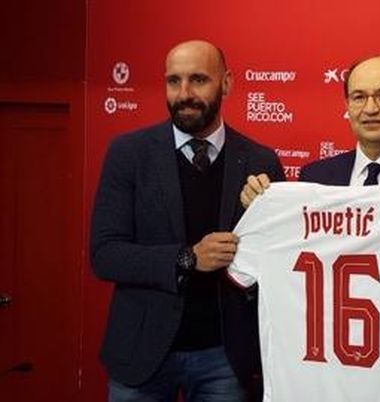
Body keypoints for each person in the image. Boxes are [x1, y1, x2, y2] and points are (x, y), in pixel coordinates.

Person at [240, 55, 380, 402]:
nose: (370, 108)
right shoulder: (314, 179)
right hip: (325, 374)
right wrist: (262, 209)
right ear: (347, 106)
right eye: (359, 97)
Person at [90, 40, 285, 402]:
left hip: (226, 358)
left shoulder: (261, 161)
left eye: (198, 79)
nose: (184, 94)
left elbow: (278, 263)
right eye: (173, 81)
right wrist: (188, 257)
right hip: (142, 352)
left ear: (226, 83)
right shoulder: (128, 154)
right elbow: (105, 254)